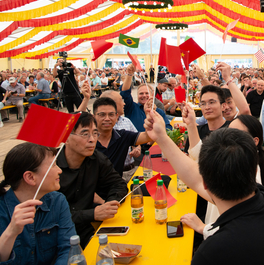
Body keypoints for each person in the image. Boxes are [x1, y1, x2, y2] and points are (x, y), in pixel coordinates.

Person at [143, 111, 264, 265]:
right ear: (255, 170)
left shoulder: (213, 252)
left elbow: (197, 179)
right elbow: (194, 177)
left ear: (206, 184)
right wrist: (161, 137)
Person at [57, 112, 128, 248]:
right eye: (85, 134)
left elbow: (118, 184)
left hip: (86, 230)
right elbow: (51, 216)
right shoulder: (51, 168)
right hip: (57, 236)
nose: (92, 139)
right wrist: (92, 214)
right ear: (66, 137)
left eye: (95, 133)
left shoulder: (96, 159)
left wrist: (110, 203)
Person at [0, 143, 76, 264]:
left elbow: (69, 248)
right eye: (53, 165)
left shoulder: (57, 201)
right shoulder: (2, 210)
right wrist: (12, 231)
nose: (60, 170)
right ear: (30, 177)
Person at [120, 63, 173, 134]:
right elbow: (125, 93)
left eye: (147, 93)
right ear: (137, 95)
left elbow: (168, 128)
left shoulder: (158, 111)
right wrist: (129, 74)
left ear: (151, 95)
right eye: (141, 93)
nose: (144, 95)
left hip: (154, 143)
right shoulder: (131, 108)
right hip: (136, 144)